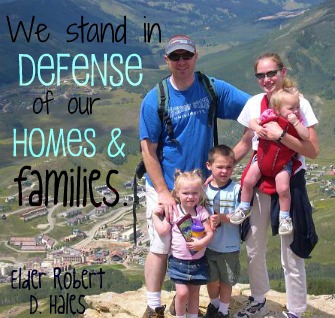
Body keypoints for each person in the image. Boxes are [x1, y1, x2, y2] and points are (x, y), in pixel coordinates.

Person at [139, 34, 250, 317]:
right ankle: (154, 306)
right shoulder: (155, 99)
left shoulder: (211, 88)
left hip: (200, 189)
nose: (181, 62)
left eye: (186, 56)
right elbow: (148, 151)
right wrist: (164, 193)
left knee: (199, 242)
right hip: (166, 186)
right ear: (167, 61)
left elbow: (253, 110)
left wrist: (228, 160)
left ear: (195, 56)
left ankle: (191, 306)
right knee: (161, 244)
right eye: (175, 57)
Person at [233, 53, 319, 318]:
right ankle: (258, 299)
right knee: (253, 243)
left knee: (290, 248)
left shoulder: (298, 103)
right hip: (260, 178)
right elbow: (246, 143)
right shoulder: (253, 104)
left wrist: (281, 136)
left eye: (272, 73)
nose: (267, 79)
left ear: (283, 72)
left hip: (288, 180)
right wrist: (218, 168)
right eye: (261, 75)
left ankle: (295, 310)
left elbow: (313, 149)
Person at [230, 78, 310, 237]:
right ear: (278, 108)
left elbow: (306, 136)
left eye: (297, 107)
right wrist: (258, 128)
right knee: (247, 181)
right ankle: (244, 207)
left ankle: (284, 218)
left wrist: (296, 123)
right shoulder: (269, 114)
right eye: (291, 108)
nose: (295, 111)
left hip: (283, 163)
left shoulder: (298, 120)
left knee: (283, 188)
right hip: (262, 158)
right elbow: (252, 121)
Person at [153, 170, 214, 318]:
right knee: (182, 293)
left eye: (194, 193)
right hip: (178, 262)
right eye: (186, 193)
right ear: (177, 193)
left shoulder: (201, 212)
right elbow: (162, 230)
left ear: (200, 193)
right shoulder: (174, 211)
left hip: (198, 262)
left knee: (194, 293)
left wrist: (201, 243)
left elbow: (210, 232)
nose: (190, 197)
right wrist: (155, 215)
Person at [203, 145, 241, 318]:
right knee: (210, 279)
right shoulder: (203, 190)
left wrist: (223, 218)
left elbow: (242, 214)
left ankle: (223, 312)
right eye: (220, 167)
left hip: (229, 246)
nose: (225, 171)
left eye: (229, 167)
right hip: (209, 245)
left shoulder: (237, 190)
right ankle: (214, 304)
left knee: (226, 281)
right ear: (209, 166)